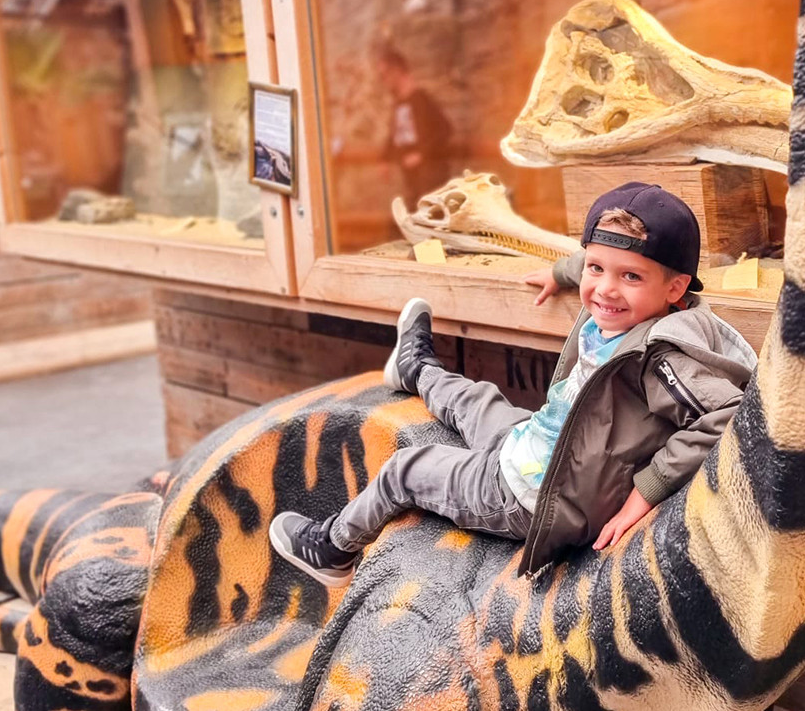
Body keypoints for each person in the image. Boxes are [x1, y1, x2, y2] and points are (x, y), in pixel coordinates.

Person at [269, 182, 757, 586]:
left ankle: (332, 549)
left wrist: (646, 492)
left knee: (405, 469)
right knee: (477, 400)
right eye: (596, 269)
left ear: (675, 288)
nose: (605, 289)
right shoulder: (624, 302)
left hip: (529, 495)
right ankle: (414, 369)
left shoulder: (661, 356)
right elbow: (595, 262)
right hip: (542, 442)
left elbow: (728, 414)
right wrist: (561, 272)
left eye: (630, 276)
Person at [376, 42, 452, 208]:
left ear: (396, 71)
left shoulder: (421, 100)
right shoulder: (399, 104)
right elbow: (395, 134)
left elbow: (445, 130)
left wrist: (421, 154)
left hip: (431, 179)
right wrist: (384, 159)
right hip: (413, 181)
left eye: (384, 75)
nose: (383, 81)